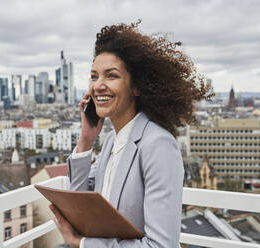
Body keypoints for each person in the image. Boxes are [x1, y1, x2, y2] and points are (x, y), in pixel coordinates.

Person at [49, 20, 213, 248]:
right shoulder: (111, 142)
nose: (98, 86)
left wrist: (84, 244)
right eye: (94, 76)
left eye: (111, 76)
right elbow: (80, 209)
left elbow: (161, 245)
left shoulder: (158, 145)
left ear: (137, 87)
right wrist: (86, 140)